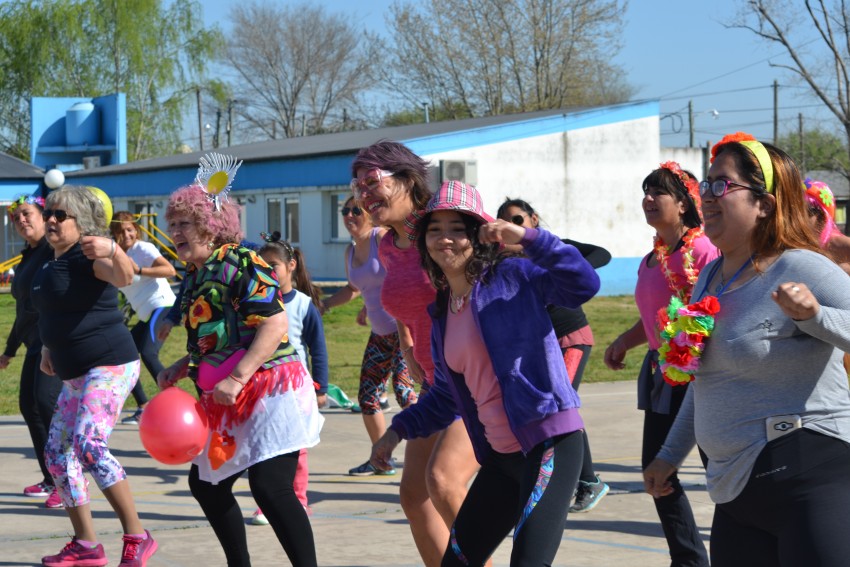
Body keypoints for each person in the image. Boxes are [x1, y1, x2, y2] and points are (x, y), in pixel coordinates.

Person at [644, 133, 850, 567]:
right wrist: (668, 456)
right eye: (707, 184)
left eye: (724, 184)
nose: (709, 196)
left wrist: (815, 318)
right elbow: (706, 379)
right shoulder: (711, 277)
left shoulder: (800, 264)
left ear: (764, 204)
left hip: (809, 479)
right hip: (734, 491)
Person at [371, 180, 601, 565]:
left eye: (457, 229)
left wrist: (530, 238)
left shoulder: (512, 277)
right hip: (501, 457)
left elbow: (583, 283)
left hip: (548, 444)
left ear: (478, 236)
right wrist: (395, 431)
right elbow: (445, 396)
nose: (445, 239)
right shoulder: (444, 312)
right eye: (435, 230)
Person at [156, 172, 322, 567]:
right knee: (208, 484)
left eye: (185, 224)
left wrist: (236, 377)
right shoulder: (196, 274)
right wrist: (184, 365)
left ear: (211, 227)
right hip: (228, 397)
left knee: (270, 488)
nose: (175, 231)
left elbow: (274, 324)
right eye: (172, 224)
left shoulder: (240, 261)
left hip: (269, 391)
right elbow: (219, 338)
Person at [351, 141, 482, 566]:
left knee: (442, 481)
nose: (364, 194)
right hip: (436, 387)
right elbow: (410, 303)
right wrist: (409, 347)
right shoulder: (388, 244)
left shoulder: (442, 234)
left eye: (373, 182)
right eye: (358, 185)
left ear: (407, 179)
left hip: (476, 382)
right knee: (414, 495)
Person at [31, 186, 157, 566]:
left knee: (88, 443)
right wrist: (48, 347)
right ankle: (86, 545)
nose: (51, 220)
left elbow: (124, 277)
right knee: (56, 456)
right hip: (75, 372)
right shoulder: (48, 264)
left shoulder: (90, 256)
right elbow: (54, 312)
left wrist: (113, 249)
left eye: (60, 215)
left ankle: (138, 535)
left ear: (80, 223)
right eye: (49, 212)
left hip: (110, 364)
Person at [603, 161, 717, 567]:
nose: (649, 199)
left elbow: (714, 310)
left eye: (659, 192)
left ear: (684, 204)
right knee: (656, 471)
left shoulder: (703, 251)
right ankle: (688, 559)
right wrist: (625, 341)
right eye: (646, 191)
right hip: (661, 371)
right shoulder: (652, 258)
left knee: (717, 469)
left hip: (700, 374)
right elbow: (653, 315)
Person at [496, 197, 612, 513]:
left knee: (562, 405)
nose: (513, 227)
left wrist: (568, 269)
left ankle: (589, 481)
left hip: (570, 338)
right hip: (540, 343)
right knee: (548, 406)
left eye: (518, 219)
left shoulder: (552, 247)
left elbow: (602, 254)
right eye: (506, 221)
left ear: (534, 219)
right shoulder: (504, 255)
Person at [322, 195, 417, 476]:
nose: (349, 215)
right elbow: (353, 288)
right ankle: (381, 457)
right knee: (368, 396)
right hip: (379, 334)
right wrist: (325, 305)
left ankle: (427, 453)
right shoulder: (350, 253)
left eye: (356, 210)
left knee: (404, 393)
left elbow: (401, 276)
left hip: (403, 330)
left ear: (368, 213)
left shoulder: (382, 238)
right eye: (345, 211)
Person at [250, 235, 328, 526]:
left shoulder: (304, 304)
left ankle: (299, 501)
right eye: (261, 266)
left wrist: (320, 386)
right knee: (263, 448)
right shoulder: (255, 302)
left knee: (297, 452)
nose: (268, 272)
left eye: (274, 266)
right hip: (261, 389)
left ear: (291, 265)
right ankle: (266, 505)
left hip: (295, 391)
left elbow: (317, 349)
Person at [0, 195, 63, 509]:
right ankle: (52, 477)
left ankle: (68, 481)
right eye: (15, 217)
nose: (21, 220)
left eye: (26, 213)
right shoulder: (28, 258)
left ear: (43, 216)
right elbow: (23, 311)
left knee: (45, 405)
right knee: (29, 406)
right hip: (34, 345)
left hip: (55, 342)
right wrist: (8, 351)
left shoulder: (54, 251)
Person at [110, 211, 177, 425]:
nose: (126, 235)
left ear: (136, 230)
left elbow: (169, 270)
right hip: (146, 313)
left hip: (162, 305)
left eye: (130, 230)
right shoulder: (115, 256)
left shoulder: (143, 248)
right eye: (121, 231)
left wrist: (139, 269)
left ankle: (175, 403)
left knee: (148, 353)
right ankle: (143, 407)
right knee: (123, 356)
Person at [803, 178, 850, 272]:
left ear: (823, 216)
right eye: (795, 212)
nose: (801, 217)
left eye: (808, 211)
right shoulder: (792, 244)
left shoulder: (842, 244)